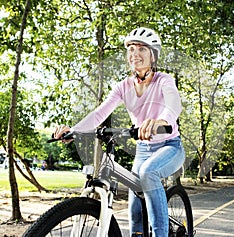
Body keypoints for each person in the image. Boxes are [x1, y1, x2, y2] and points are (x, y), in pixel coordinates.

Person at [53, 27, 185, 237]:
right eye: (131, 49)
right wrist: (74, 130)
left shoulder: (164, 80)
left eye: (142, 48)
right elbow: (99, 114)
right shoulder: (123, 86)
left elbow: (173, 105)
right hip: (143, 149)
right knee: (135, 208)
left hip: (170, 146)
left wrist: (161, 121)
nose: (135, 54)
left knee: (148, 173)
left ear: (153, 55)